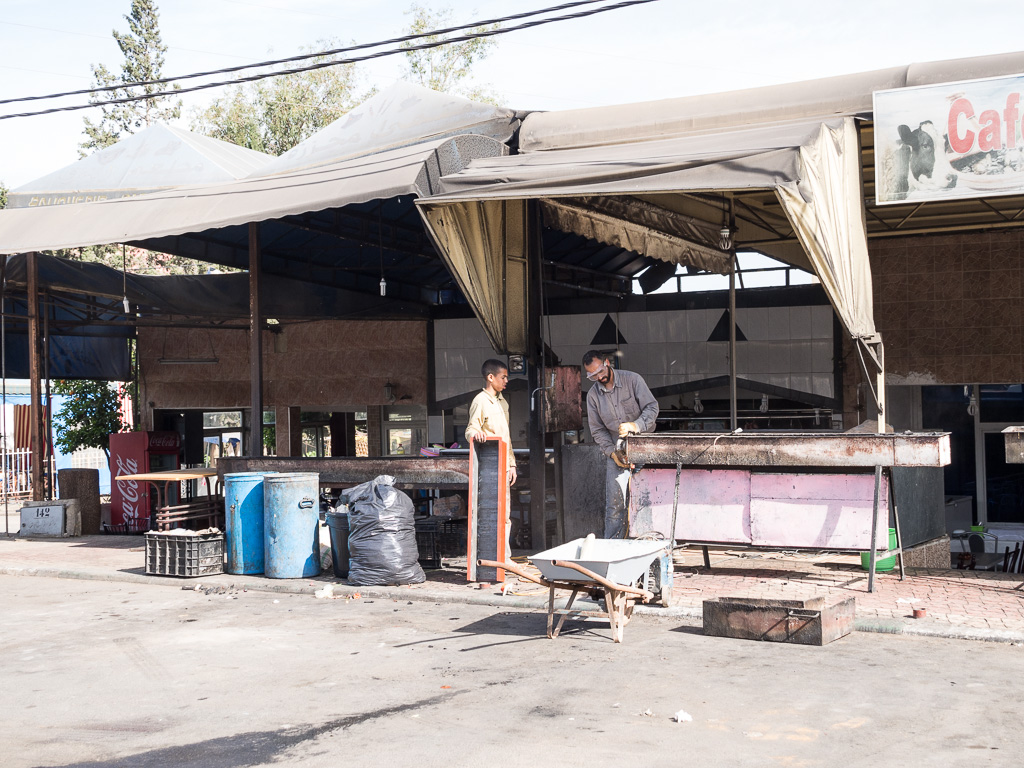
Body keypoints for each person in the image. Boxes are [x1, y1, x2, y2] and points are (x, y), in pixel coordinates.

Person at [582, 350, 659, 539]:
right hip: (618, 452)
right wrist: (611, 452)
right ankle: (613, 548)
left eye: (600, 371)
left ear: (607, 363)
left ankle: (652, 546)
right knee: (615, 505)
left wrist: (636, 425)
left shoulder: (632, 380)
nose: (599, 377)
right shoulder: (593, 396)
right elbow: (597, 429)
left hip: (644, 447)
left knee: (647, 501)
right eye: (593, 375)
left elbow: (652, 407)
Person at [466, 359, 517, 552]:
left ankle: (504, 557)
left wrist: (512, 464)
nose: (506, 381)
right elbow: (471, 429)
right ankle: (492, 557)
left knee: (505, 513)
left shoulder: (502, 402)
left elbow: (507, 436)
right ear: (490, 377)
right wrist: (476, 435)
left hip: (504, 465)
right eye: (503, 377)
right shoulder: (480, 401)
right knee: (491, 513)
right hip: (489, 468)